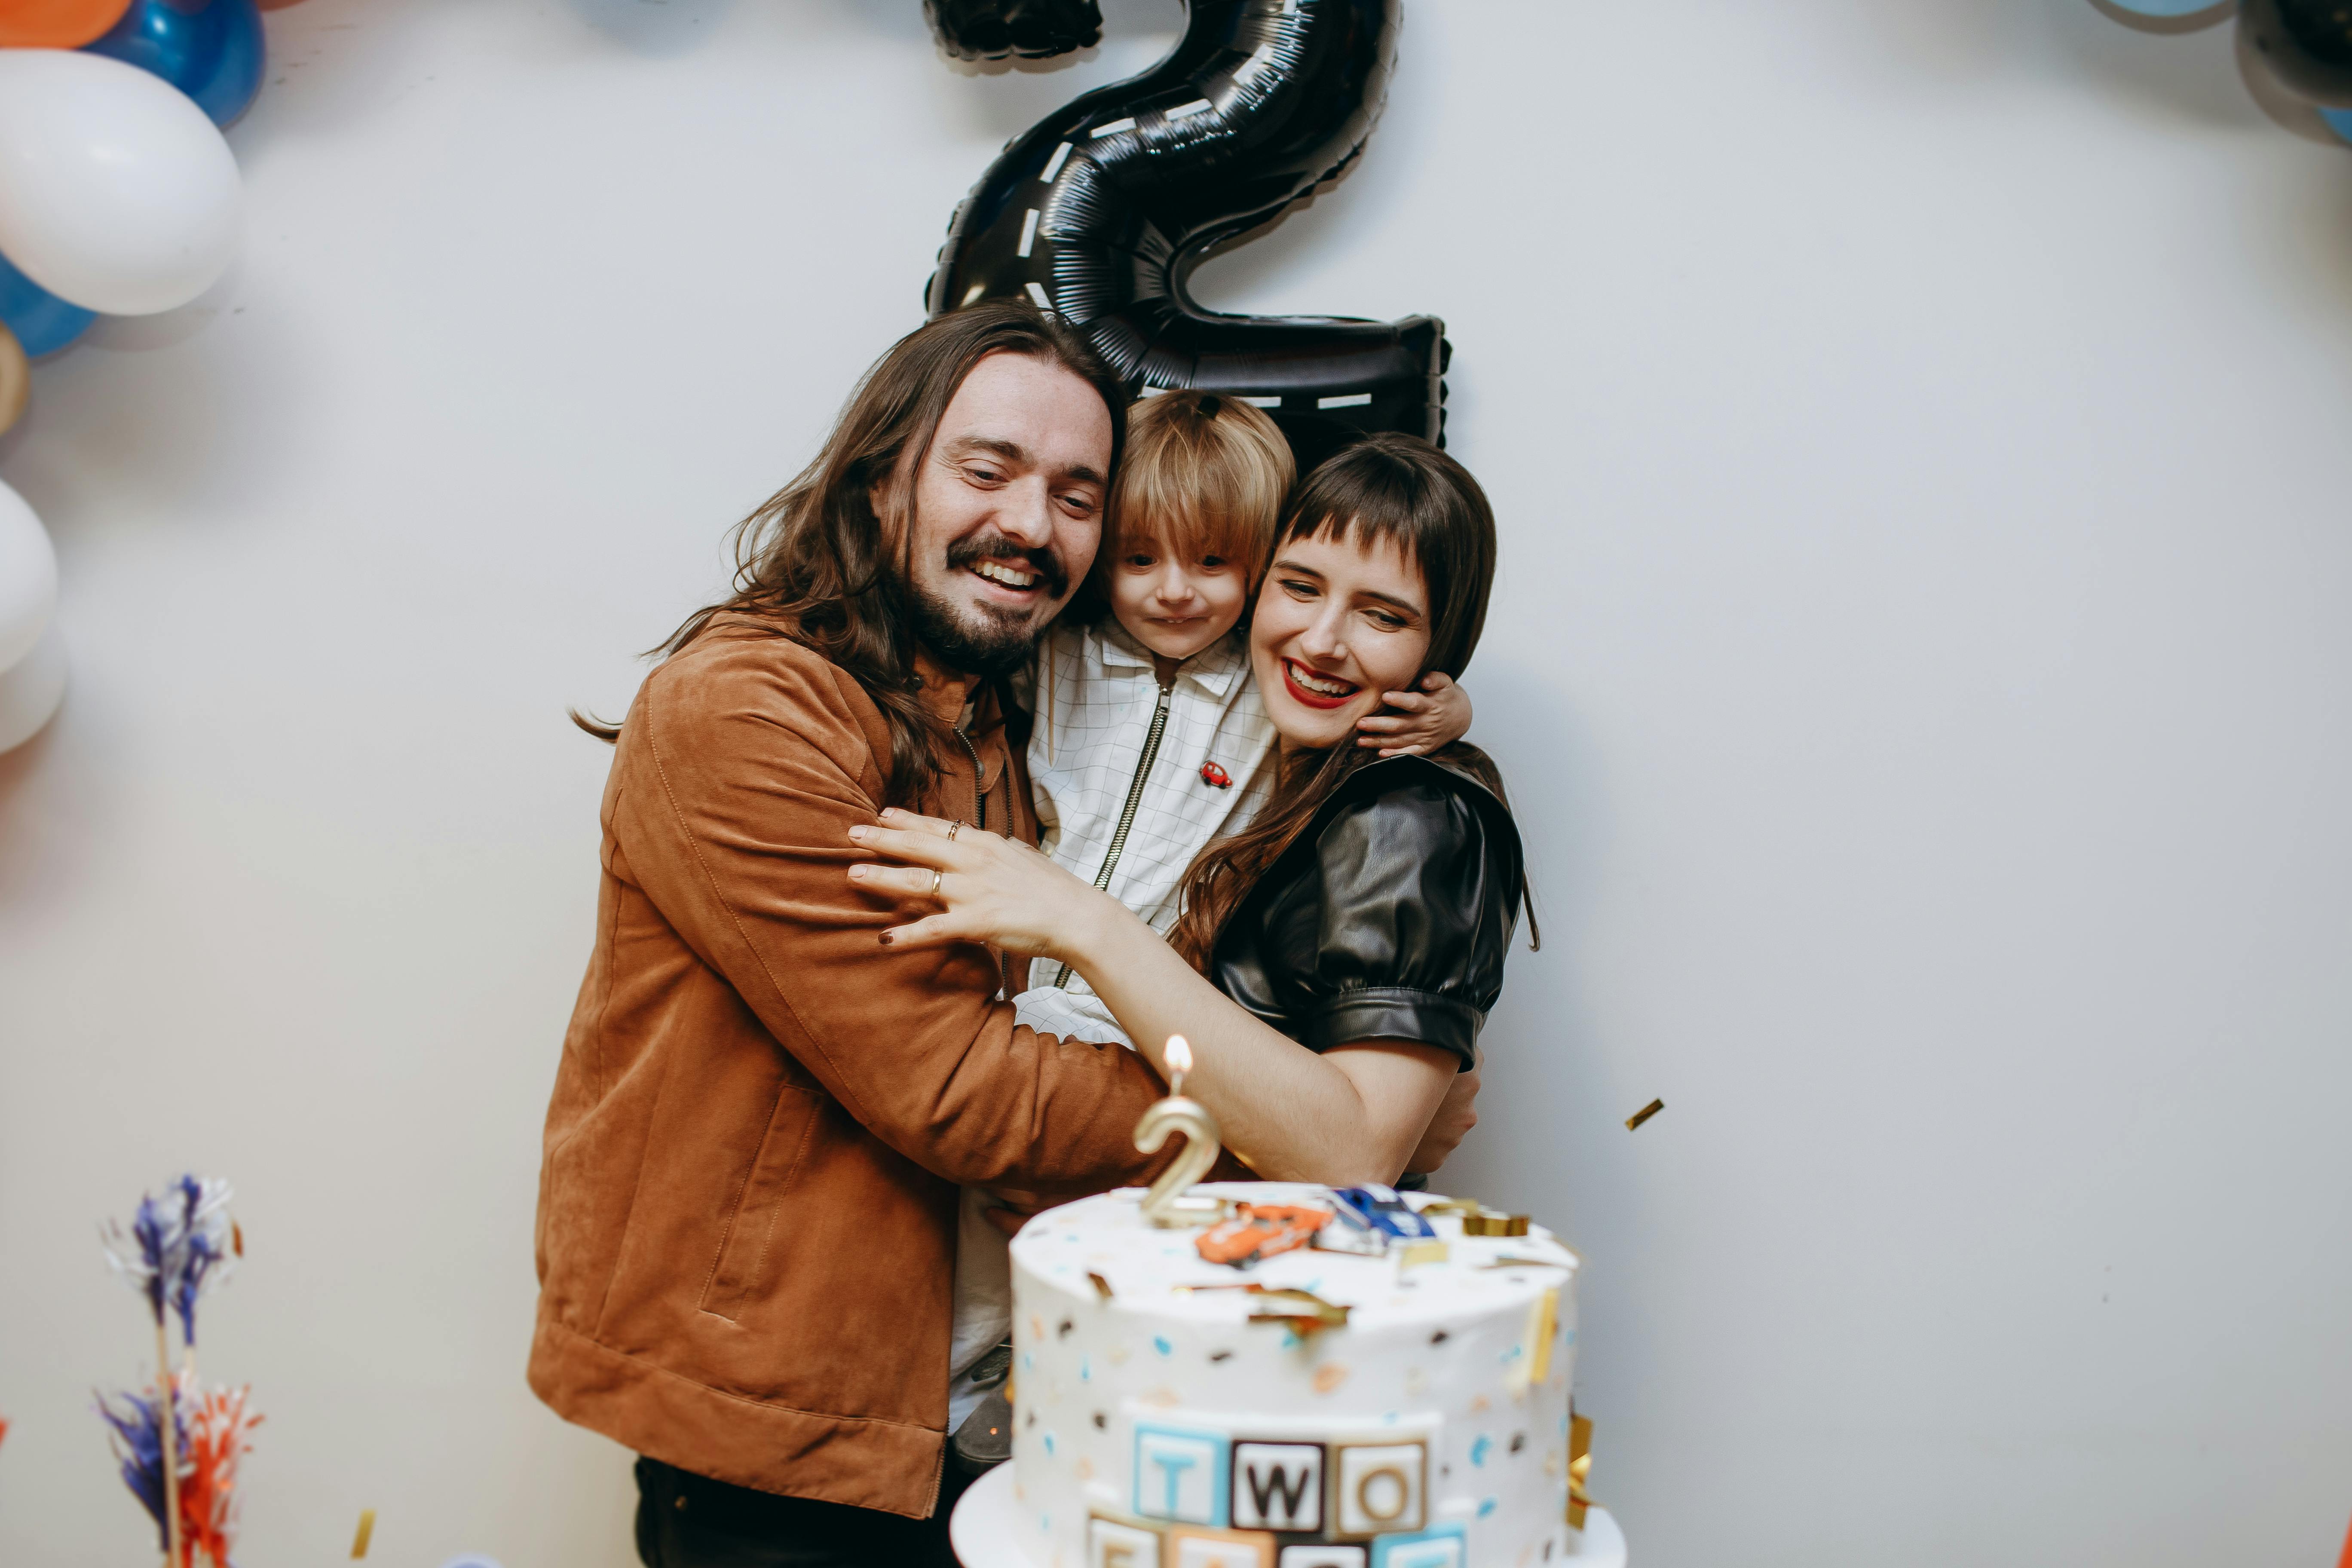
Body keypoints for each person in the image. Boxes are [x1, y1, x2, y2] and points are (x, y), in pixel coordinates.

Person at [945, 392, 1474, 1470]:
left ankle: (1014, 1405)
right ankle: (970, 1404)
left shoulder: (1294, 711)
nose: (1176, 590)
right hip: (1032, 1006)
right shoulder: (1061, 657)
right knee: (981, 1249)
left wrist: (1450, 714)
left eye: (1381, 616)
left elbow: (1353, 1145)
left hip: (1147, 1033)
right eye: (1141, 558)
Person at [850, 431, 1529, 1192]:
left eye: (1385, 618)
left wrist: (1082, 921)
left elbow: (1352, 1157)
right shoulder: (1286, 750)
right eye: (1300, 587)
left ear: (1443, 645)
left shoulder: (1413, 813)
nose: (1321, 640)